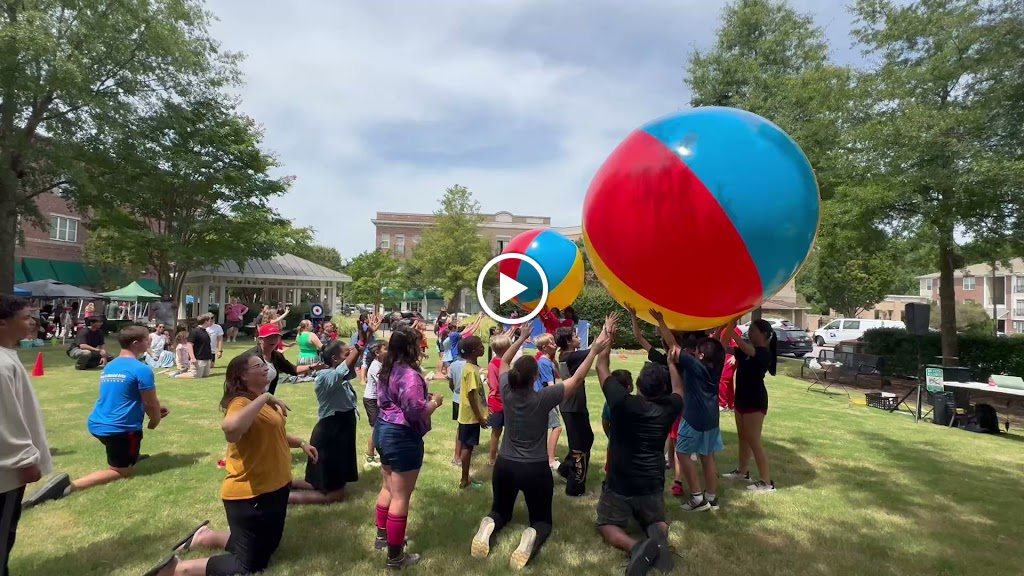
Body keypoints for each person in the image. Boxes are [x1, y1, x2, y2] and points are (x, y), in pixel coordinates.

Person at [145, 354, 318, 576]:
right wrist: (265, 398)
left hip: (276, 486)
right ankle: (177, 569)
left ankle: (204, 537)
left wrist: (301, 443)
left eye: (264, 365)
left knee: (269, 547)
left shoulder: (258, 400)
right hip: (251, 493)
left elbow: (273, 433)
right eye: (258, 366)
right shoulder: (241, 402)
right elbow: (231, 429)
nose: (265, 368)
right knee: (250, 566)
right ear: (242, 376)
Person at [471, 320, 610, 570]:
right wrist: (596, 349)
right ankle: (531, 537)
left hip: (505, 465)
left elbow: (502, 362)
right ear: (534, 377)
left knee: (501, 511)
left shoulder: (506, 390)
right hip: (534, 468)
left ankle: (489, 524)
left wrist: (520, 336)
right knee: (542, 521)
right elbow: (577, 379)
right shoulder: (543, 398)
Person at [24, 326, 168, 508]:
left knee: (122, 450)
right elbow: (151, 404)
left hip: (96, 423)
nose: (150, 342)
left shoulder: (111, 365)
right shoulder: (141, 369)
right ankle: (68, 487)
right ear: (136, 343)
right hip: (120, 430)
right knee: (122, 472)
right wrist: (155, 421)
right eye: (147, 339)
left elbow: (123, 395)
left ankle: (130, 454)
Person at [596, 310, 682, 575]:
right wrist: (671, 364)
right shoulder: (670, 408)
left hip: (620, 482)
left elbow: (601, 366)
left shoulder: (622, 403)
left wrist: (607, 334)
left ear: (638, 386)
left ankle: (636, 547)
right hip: (651, 482)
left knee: (607, 525)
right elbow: (679, 389)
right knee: (657, 520)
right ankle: (657, 540)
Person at [372, 325, 444, 570]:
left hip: (383, 430)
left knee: (388, 487)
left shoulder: (387, 368)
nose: (422, 349)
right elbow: (416, 410)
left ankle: (382, 537)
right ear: (410, 347)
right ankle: (395, 557)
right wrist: (434, 403)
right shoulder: (409, 374)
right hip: (401, 436)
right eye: (419, 344)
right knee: (401, 496)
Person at [648, 310, 725, 513]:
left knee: (681, 453)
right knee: (707, 456)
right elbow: (716, 346)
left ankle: (697, 498)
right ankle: (712, 498)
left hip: (693, 419)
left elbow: (672, 344)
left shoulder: (695, 366)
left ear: (700, 355)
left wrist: (661, 321)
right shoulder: (716, 366)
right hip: (712, 420)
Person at [0, 296, 52, 576]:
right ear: (2, 323)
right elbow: (4, 421)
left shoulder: (7, 356)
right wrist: (24, 459)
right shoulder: (1, 364)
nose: (32, 322)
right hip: (6, 474)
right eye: (24, 317)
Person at [290, 341, 363, 504]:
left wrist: (362, 345)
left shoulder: (338, 372)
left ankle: (285, 485)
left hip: (340, 430)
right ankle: (283, 498)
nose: (349, 356)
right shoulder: (326, 375)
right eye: (346, 354)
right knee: (335, 495)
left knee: (323, 482)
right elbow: (340, 372)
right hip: (331, 433)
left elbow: (348, 369)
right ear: (334, 358)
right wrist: (360, 345)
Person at [721, 319, 777, 492]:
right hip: (741, 398)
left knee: (753, 439)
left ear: (764, 335)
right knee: (743, 437)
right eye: (749, 330)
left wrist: (731, 326)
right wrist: (727, 326)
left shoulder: (763, 353)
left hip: (755, 400)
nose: (749, 333)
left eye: (753, 331)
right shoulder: (743, 352)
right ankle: (742, 471)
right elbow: (723, 346)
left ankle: (766, 482)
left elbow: (745, 348)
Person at [554, 326, 595, 496]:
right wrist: (606, 330)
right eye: (576, 336)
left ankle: (564, 469)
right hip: (572, 408)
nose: (579, 338)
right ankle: (575, 488)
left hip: (573, 406)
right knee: (580, 448)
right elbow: (595, 349)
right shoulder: (572, 356)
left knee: (587, 438)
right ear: (569, 341)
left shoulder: (566, 355)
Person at [248, 324, 319, 395]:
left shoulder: (276, 356)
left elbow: (292, 370)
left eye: (276, 337)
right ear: (260, 339)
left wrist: (312, 367)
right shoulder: (250, 358)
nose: (273, 340)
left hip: (266, 398)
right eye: (269, 337)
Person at [456, 336, 488, 489]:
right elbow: (471, 396)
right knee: (467, 448)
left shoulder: (473, 367)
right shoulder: (470, 370)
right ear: (474, 351)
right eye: (481, 346)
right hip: (470, 417)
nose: (483, 348)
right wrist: (480, 417)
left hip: (470, 416)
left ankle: (466, 478)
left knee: (468, 447)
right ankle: (464, 480)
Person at [532, 333, 562, 470]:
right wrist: (561, 395)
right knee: (557, 427)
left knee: (543, 428)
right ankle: (550, 460)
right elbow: (550, 384)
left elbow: (558, 374)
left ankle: (543, 455)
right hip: (547, 398)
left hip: (542, 398)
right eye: (551, 343)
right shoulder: (544, 363)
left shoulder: (546, 361)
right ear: (544, 347)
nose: (554, 344)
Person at [486, 333, 512, 466]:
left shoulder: (501, 362)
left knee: (506, 431)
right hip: (497, 403)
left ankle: (504, 455)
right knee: (496, 432)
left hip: (505, 402)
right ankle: (492, 458)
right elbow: (494, 386)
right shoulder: (495, 365)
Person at [363, 342, 387, 469]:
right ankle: (369, 457)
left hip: (377, 399)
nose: (388, 351)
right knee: (376, 428)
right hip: (371, 400)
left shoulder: (381, 364)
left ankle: (378, 452)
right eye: (385, 349)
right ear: (377, 353)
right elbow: (383, 383)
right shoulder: (375, 366)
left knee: (380, 427)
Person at [448, 355, 466, 467]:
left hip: (456, 398)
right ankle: (458, 457)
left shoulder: (453, 365)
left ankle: (457, 455)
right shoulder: (471, 366)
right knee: (465, 428)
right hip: (466, 401)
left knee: (461, 427)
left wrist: (456, 392)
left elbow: (451, 384)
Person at [188, 314, 216, 378]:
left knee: (205, 375)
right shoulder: (195, 331)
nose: (211, 322)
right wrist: (192, 358)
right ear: (206, 321)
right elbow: (189, 344)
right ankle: (175, 375)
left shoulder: (205, 331)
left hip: (206, 358)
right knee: (195, 375)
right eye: (210, 320)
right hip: (198, 358)